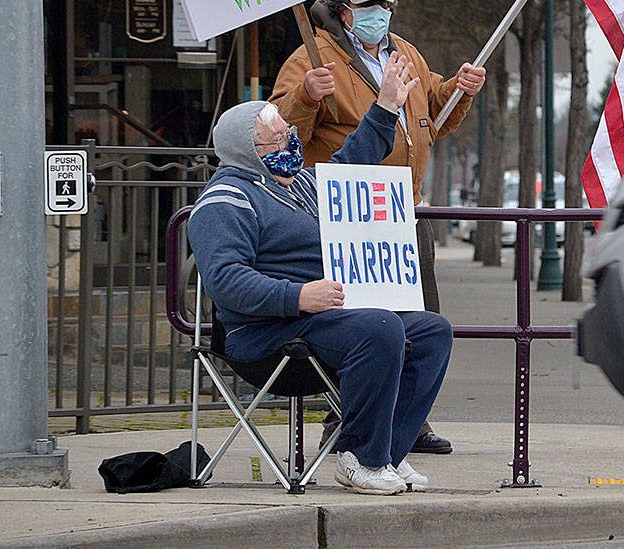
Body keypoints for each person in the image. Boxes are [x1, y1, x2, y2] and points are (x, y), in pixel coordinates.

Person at [188, 52, 452, 495]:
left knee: (431, 331)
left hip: (322, 320)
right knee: (380, 327)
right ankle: (360, 459)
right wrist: (297, 296)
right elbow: (226, 280)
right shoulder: (225, 199)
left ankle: (385, 453)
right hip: (266, 334)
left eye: (288, 134)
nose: (290, 143)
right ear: (248, 152)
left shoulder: (303, 185)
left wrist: (386, 105)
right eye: (276, 140)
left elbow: (353, 160)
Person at [269, 0, 484, 455]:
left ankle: (409, 418)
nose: (378, 14)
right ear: (343, 9)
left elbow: (434, 115)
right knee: (363, 322)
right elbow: (279, 134)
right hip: (347, 214)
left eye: (384, 4)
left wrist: (460, 89)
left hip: (405, 210)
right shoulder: (311, 59)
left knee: (419, 318)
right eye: (367, 6)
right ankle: (345, 414)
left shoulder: (405, 53)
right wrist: (306, 96)